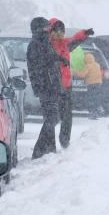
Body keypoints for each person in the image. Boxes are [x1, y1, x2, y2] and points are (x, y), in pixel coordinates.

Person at [27, 17, 69, 158]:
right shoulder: (36, 44)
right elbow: (40, 64)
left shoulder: (43, 42)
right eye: (46, 28)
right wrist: (55, 59)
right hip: (46, 87)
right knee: (53, 117)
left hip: (51, 85)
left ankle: (49, 149)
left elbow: (50, 57)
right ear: (38, 29)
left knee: (50, 118)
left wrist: (59, 59)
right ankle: (38, 151)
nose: (49, 30)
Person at [49, 19, 91, 148]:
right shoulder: (47, 45)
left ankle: (64, 140)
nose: (60, 33)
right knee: (52, 117)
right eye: (57, 30)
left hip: (66, 85)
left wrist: (85, 33)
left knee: (67, 116)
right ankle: (49, 144)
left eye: (62, 31)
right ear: (51, 31)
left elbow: (75, 40)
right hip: (53, 85)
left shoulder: (65, 43)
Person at [80, 51, 104, 120]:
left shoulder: (88, 66)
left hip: (91, 84)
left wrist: (74, 72)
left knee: (91, 98)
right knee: (96, 97)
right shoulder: (97, 64)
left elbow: (82, 75)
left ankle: (93, 113)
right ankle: (98, 108)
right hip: (98, 83)